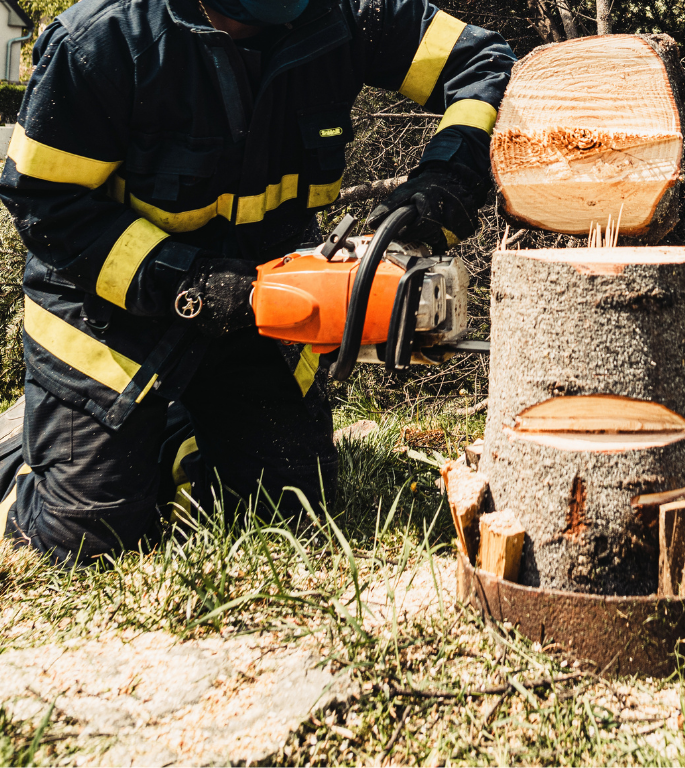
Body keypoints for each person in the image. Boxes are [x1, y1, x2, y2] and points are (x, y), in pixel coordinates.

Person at [0, 0, 515, 564]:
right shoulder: (102, 39)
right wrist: (196, 283)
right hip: (107, 312)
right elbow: (46, 203)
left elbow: (481, 61)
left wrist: (451, 169)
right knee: (84, 535)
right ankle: (17, 467)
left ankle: (173, 432)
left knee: (287, 514)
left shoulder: (346, 14)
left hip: (262, 302)